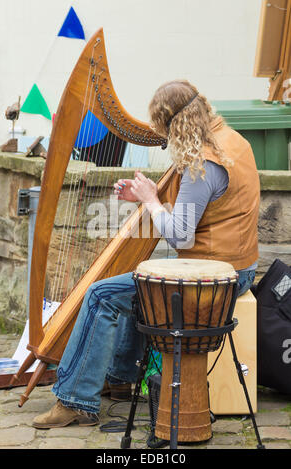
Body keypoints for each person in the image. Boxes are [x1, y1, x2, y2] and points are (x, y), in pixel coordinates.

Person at [33, 80, 260, 429]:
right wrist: (149, 197)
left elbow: (180, 235)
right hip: (233, 265)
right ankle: (122, 379)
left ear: (175, 127)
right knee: (140, 276)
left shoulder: (201, 164)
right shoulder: (230, 141)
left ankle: (76, 400)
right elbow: (204, 212)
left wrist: (151, 201)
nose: (165, 141)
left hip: (213, 277)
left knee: (101, 294)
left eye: (164, 132)